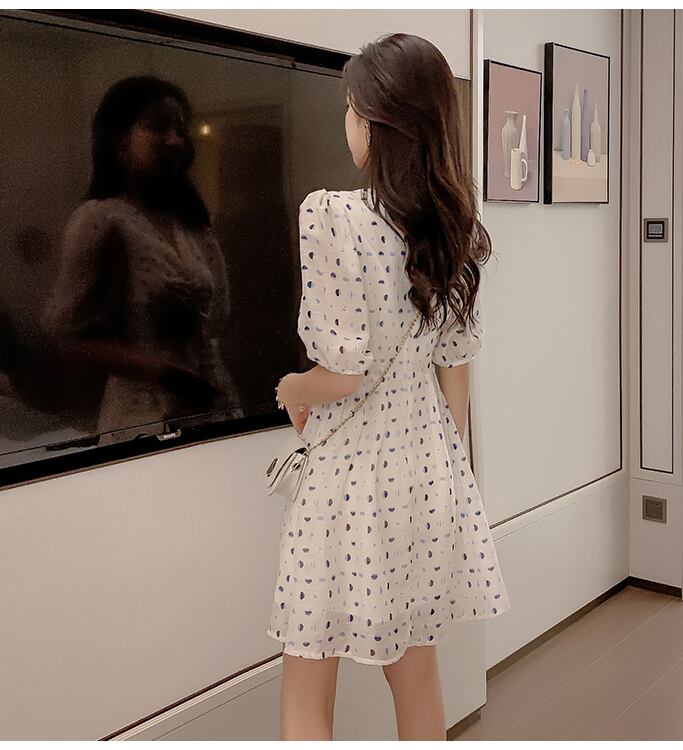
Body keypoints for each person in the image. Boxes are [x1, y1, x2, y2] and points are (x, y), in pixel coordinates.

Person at [271, 34, 511, 740]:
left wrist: (291, 387)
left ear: (377, 122)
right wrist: (445, 466)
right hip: (428, 470)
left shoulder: (333, 217)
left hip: (348, 481)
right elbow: (455, 366)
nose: (346, 121)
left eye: (351, 108)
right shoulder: (453, 228)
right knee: (418, 676)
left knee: (308, 680)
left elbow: (342, 373)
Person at [41, 76, 236, 442]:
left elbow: (216, 317)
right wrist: (159, 370)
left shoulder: (190, 223)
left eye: (180, 129)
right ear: (119, 139)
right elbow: (62, 336)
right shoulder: (101, 219)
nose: (175, 141)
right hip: (144, 420)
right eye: (157, 127)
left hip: (213, 405)